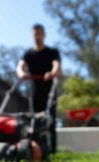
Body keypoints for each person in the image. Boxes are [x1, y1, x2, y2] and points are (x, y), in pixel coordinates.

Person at [16, 23, 61, 153]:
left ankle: (52, 150)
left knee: (50, 120)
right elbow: (20, 66)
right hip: (34, 91)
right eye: (35, 34)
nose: (37, 36)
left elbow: (56, 66)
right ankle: (36, 150)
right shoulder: (28, 54)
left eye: (40, 33)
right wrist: (21, 74)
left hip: (49, 91)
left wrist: (52, 73)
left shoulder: (52, 52)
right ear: (32, 35)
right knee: (34, 119)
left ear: (44, 35)